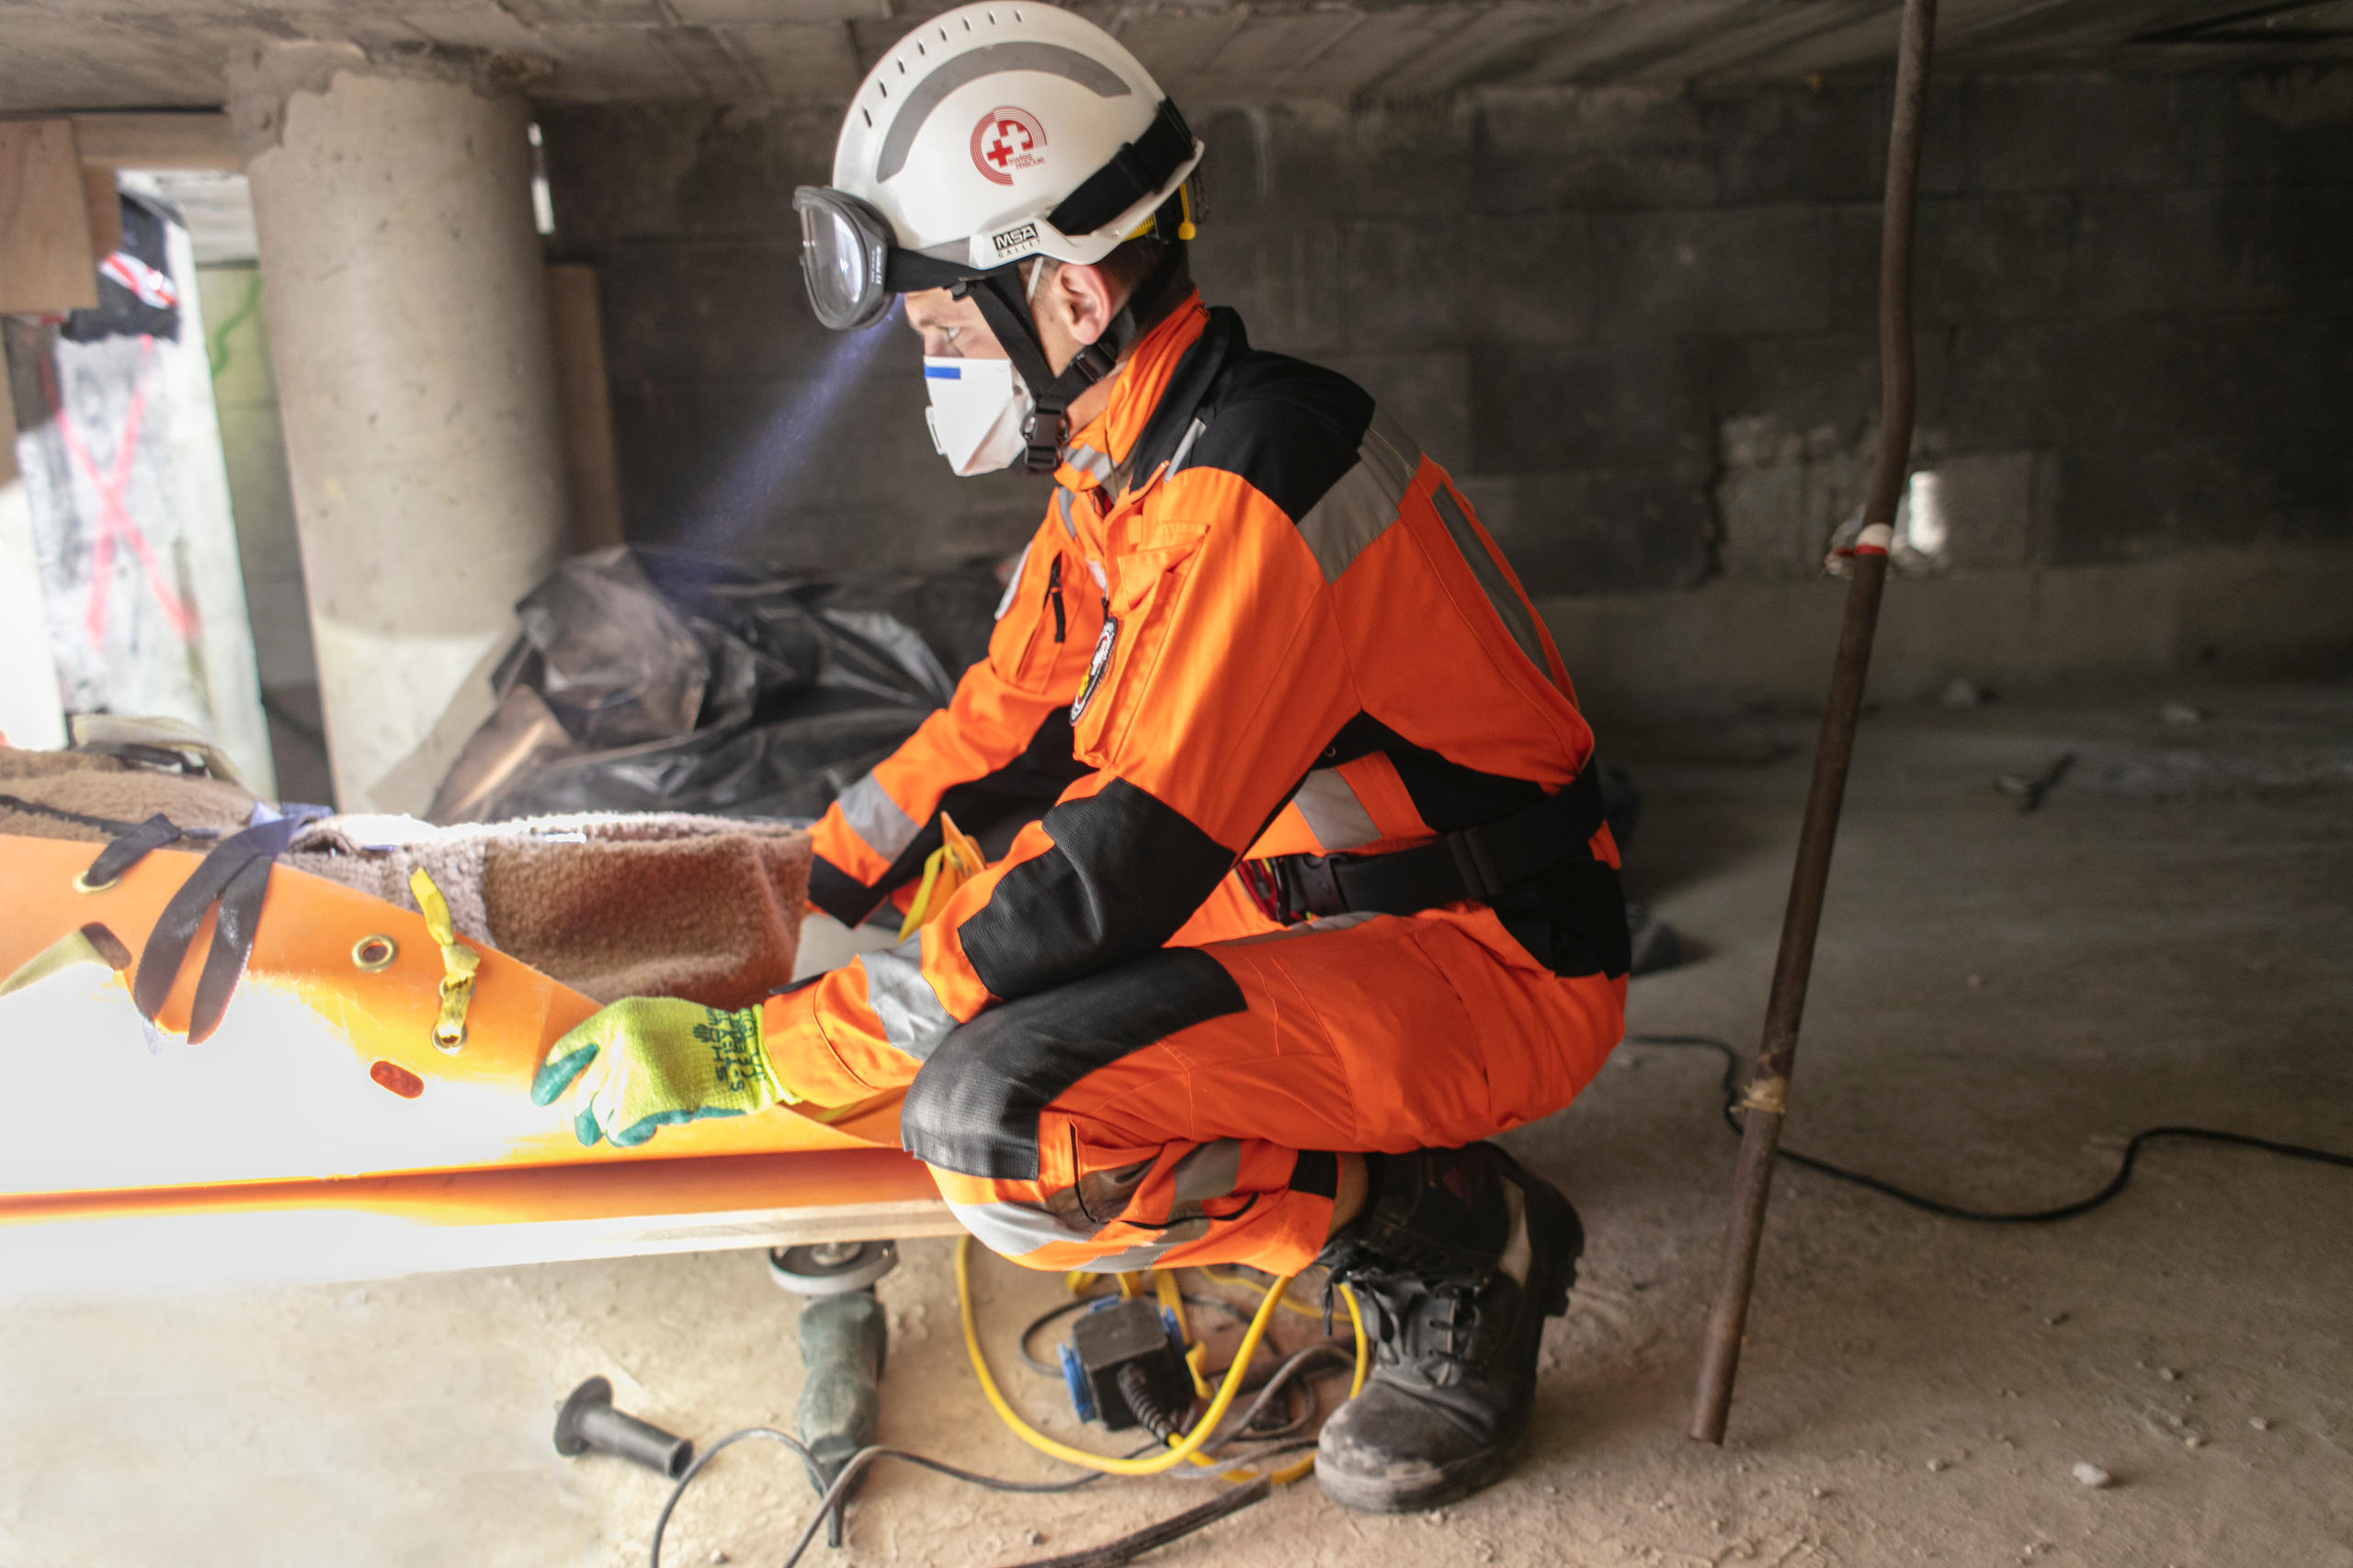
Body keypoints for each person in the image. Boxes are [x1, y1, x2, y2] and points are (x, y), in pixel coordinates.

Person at [534, 0, 1630, 1513]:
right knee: (950, 931)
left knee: (993, 1125)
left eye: (933, 332)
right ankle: (1358, 1167)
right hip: (1324, 905)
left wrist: (761, 1051)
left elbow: (1109, 870)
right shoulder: (1129, 461)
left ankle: (1454, 1238)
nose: (928, 369)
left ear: (1064, 293)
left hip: (1481, 959)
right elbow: (1000, 720)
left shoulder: (1250, 487)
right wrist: (792, 887)